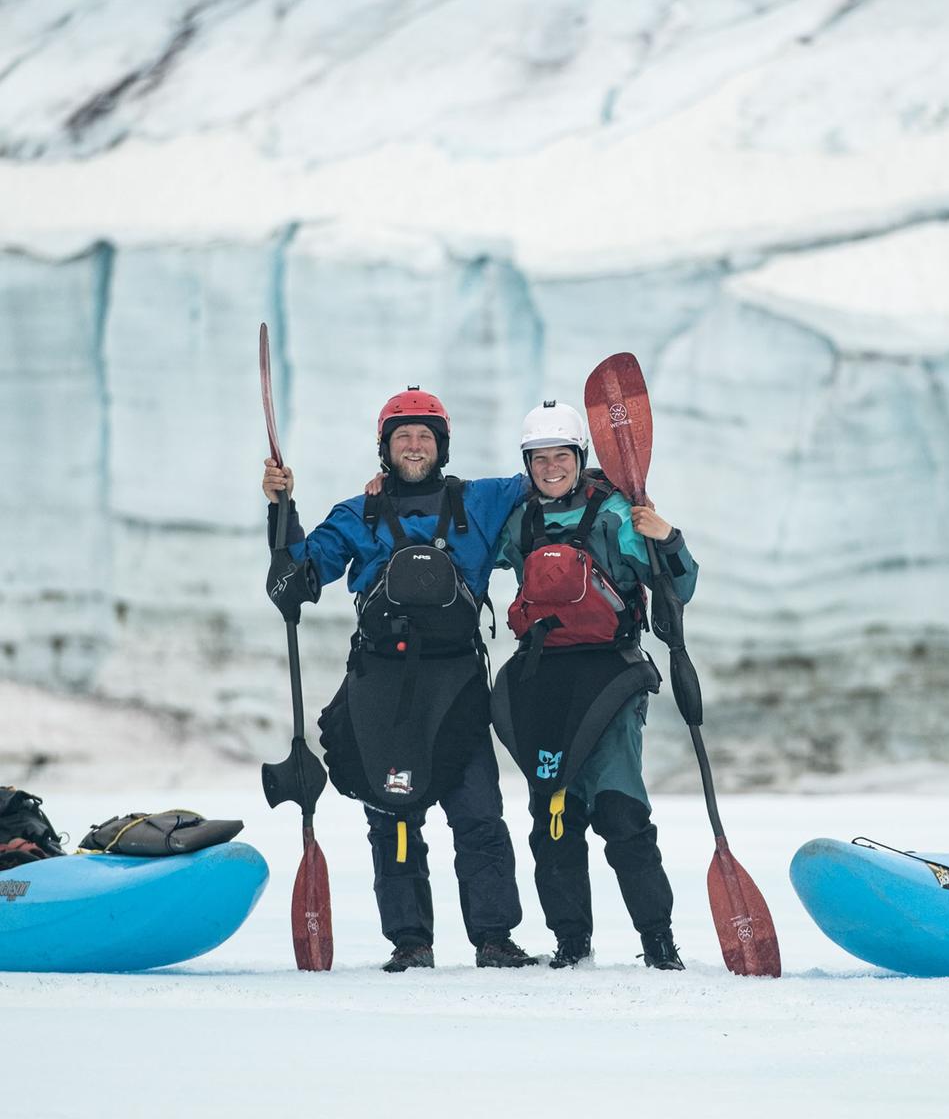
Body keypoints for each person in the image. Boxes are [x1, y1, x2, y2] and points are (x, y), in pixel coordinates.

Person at [261, 387, 536, 972]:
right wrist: (281, 512)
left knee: (479, 816)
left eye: (425, 436)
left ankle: (494, 938)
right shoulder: (356, 515)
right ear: (385, 447)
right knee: (393, 819)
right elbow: (299, 579)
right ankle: (410, 942)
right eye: (402, 436)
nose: (415, 446)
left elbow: (549, 476)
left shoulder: (482, 500)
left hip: (457, 681)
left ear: (442, 445)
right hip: (381, 687)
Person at [490, 400, 698, 971]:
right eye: (539, 457)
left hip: (610, 673)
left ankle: (658, 941)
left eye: (562, 455)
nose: (551, 467)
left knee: (619, 809)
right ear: (527, 463)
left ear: (580, 457)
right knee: (552, 815)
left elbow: (680, 586)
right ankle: (571, 943)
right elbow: (463, 536)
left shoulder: (616, 514)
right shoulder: (520, 521)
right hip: (542, 679)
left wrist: (668, 536)